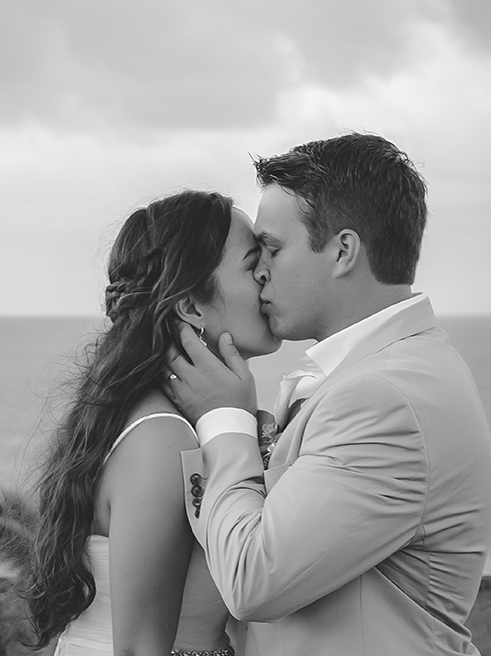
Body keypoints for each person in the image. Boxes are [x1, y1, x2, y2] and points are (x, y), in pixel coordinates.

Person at [165, 133, 491, 656]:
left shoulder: (384, 398)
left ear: (342, 251)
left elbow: (252, 579)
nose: (261, 270)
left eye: (272, 249)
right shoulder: (378, 373)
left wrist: (225, 421)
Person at [24, 190, 281, 656]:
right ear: (192, 306)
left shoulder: (161, 420)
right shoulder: (161, 438)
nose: (268, 273)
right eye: (252, 263)